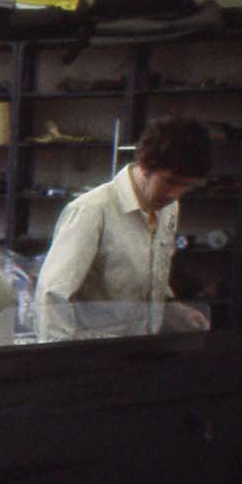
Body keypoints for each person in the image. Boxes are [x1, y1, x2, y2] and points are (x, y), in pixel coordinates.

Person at [34, 118, 212, 340]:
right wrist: (57, 361)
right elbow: (53, 296)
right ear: (145, 165)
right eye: (170, 181)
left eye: (185, 185)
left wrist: (171, 310)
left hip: (141, 347)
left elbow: (153, 275)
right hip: (93, 353)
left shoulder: (168, 209)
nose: (176, 194)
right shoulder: (92, 210)